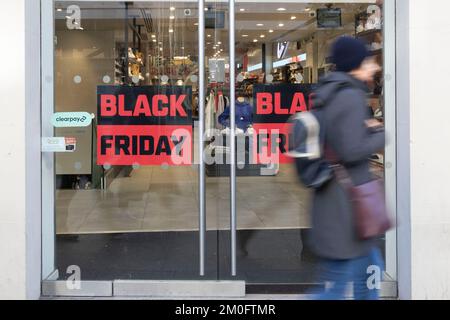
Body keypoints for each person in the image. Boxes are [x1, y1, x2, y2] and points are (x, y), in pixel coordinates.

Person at [307, 36, 385, 300]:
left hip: (343, 202)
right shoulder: (349, 96)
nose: (374, 67)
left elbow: (341, 140)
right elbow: (351, 150)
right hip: (347, 206)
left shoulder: (330, 93)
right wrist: (381, 135)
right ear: (356, 64)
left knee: (368, 275)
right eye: (369, 60)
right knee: (337, 288)